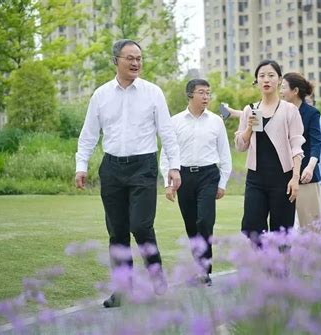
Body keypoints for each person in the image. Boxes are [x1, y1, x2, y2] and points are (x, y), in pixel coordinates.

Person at [75, 39, 181, 307]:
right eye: (130, 58)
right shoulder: (100, 95)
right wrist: (82, 165)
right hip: (111, 169)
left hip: (143, 167)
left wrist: (174, 167)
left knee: (141, 226)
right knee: (117, 231)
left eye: (139, 58)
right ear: (116, 61)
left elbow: (167, 133)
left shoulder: (153, 92)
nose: (136, 63)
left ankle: (156, 274)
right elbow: (88, 134)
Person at [160, 79, 232, 286]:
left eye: (208, 93)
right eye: (202, 93)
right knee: (191, 225)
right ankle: (198, 267)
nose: (206, 97)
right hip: (183, 177)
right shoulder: (175, 122)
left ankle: (205, 269)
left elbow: (224, 154)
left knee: (204, 221)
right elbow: (166, 154)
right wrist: (168, 182)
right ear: (190, 95)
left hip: (209, 176)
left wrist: (223, 183)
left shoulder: (216, 122)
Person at [235, 60, 305, 245]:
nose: (266, 79)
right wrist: (249, 128)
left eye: (271, 75)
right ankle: (264, 268)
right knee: (252, 228)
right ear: (256, 81)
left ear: (279, 80)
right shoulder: (249, 110)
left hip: (283, 179)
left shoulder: (289, 110)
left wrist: (295, 178)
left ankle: (280, 272)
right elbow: (241, 147)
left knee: (282, 233)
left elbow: (297, 146)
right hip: (256, 179)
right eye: (262, 76)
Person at [280, 73, 321, 228]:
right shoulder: (280, 111)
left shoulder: (311, 113)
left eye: (283, 87)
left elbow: (316, 143)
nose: (280, 91)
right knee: (284, 226)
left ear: (295, 90)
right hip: (284, 175)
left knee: (311, 226)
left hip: (306, 176)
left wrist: (310, 168)